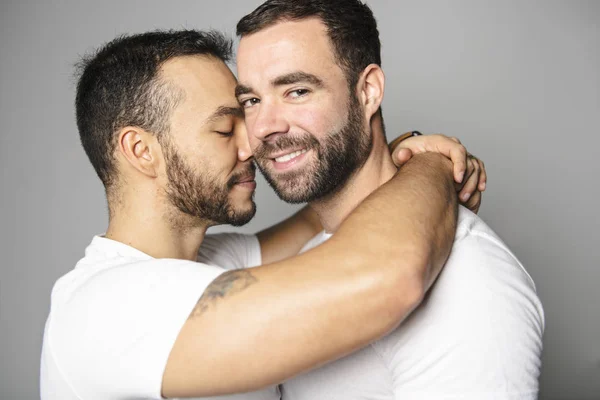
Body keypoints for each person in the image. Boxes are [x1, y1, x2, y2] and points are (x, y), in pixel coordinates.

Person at [40, 30, 486, 399]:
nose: (253, 145)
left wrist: (398, 150)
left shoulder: (209, 263)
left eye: (244, 117)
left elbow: (328, 215)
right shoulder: (109, 308)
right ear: (140, 151)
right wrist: (432, 166)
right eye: (222, 128)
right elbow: (386, 273)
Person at [219, 0, 545, 398]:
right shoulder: (310, 257)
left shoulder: (471, 277)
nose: (266, 127)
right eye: (252, 101)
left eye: (297, 91)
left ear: (369, 91)